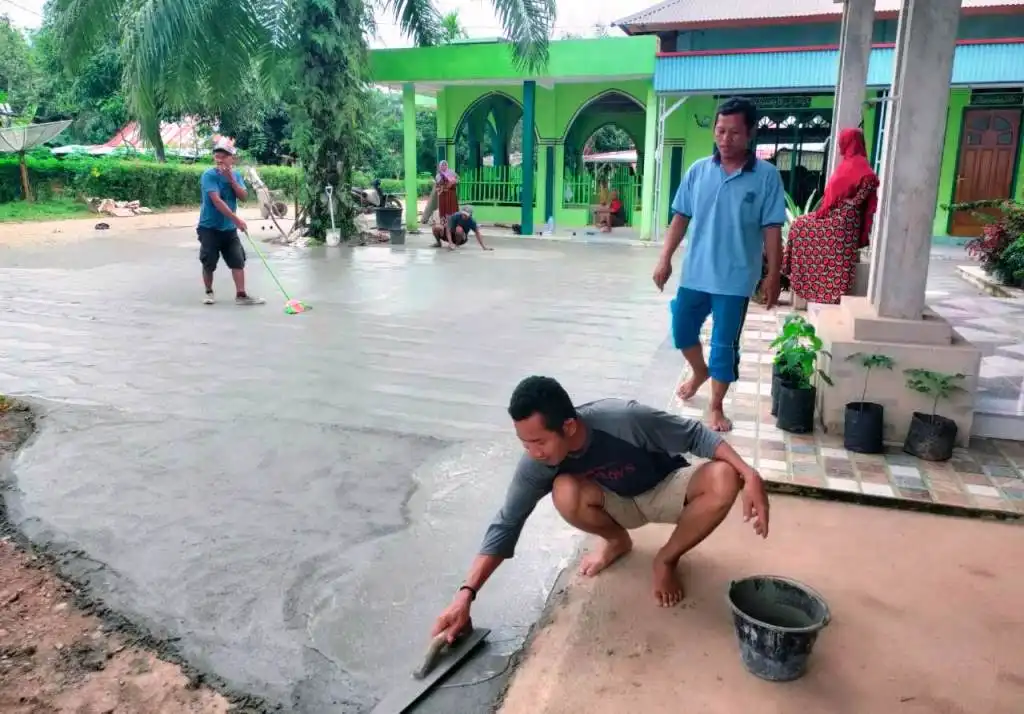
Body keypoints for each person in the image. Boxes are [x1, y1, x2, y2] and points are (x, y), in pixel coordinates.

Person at [430, 376, 770, 643]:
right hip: (616, 502)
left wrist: (749, 472)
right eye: (525, 443)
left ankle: (666, 559)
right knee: (564, 490)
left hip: (665, 487)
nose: (534, 453)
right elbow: (508, 522)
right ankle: (617, 541)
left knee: (725, 477)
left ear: (568, 427)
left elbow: (697, 435)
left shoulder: (624, 418)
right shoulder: (537, 463)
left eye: (539, 442)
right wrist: (465, 595)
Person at [652, 97, 786, 433]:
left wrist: (773, 275)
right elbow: (680, 217)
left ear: (750, 134)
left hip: (735, 280)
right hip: (695, 273)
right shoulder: (698, 171)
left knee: (724, 346)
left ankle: (715, 405)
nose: (726, 139)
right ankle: (699, 371)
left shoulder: (766, 177)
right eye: (720, 130)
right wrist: (664, 258)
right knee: (682, 330)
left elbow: (772, 229)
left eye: (735, 132)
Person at [783, 128, 880, 305]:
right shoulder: (848, 163)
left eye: (843, 141)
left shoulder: (860, 166)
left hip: (844, 222)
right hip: (834, 215)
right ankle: (801, 279)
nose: (840, 145)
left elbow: (868, 185)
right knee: (798, 224)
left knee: (800, 226)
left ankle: (823, 286)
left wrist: (852, 203)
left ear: (850, 142)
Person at [197, 139, 264, 306]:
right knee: (209, 262)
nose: (219, 159)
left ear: (232, 159)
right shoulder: (209, 175)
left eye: (223, 156)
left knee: (237, 260)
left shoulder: (237, 176)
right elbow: (217, 201)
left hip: (229, 228)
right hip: (209, 227)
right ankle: (209, 292)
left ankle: (241, 295)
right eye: (217, 156)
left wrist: (231, 180)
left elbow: (243, 197)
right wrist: (237, 220)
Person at [435, 160, 459, 224]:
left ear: (447, 166)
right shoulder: (438, 175)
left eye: (445, 165)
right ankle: (443, 222)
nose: (444, 166)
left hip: (451, 194)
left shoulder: (452, 173)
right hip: (443, 195)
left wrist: (453, 182)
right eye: (442, 165)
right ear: (440, 166)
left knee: (452, 208)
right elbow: (437, 186)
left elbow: (458, 180)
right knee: (443, 208)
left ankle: (453, 222)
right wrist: (441, 187)